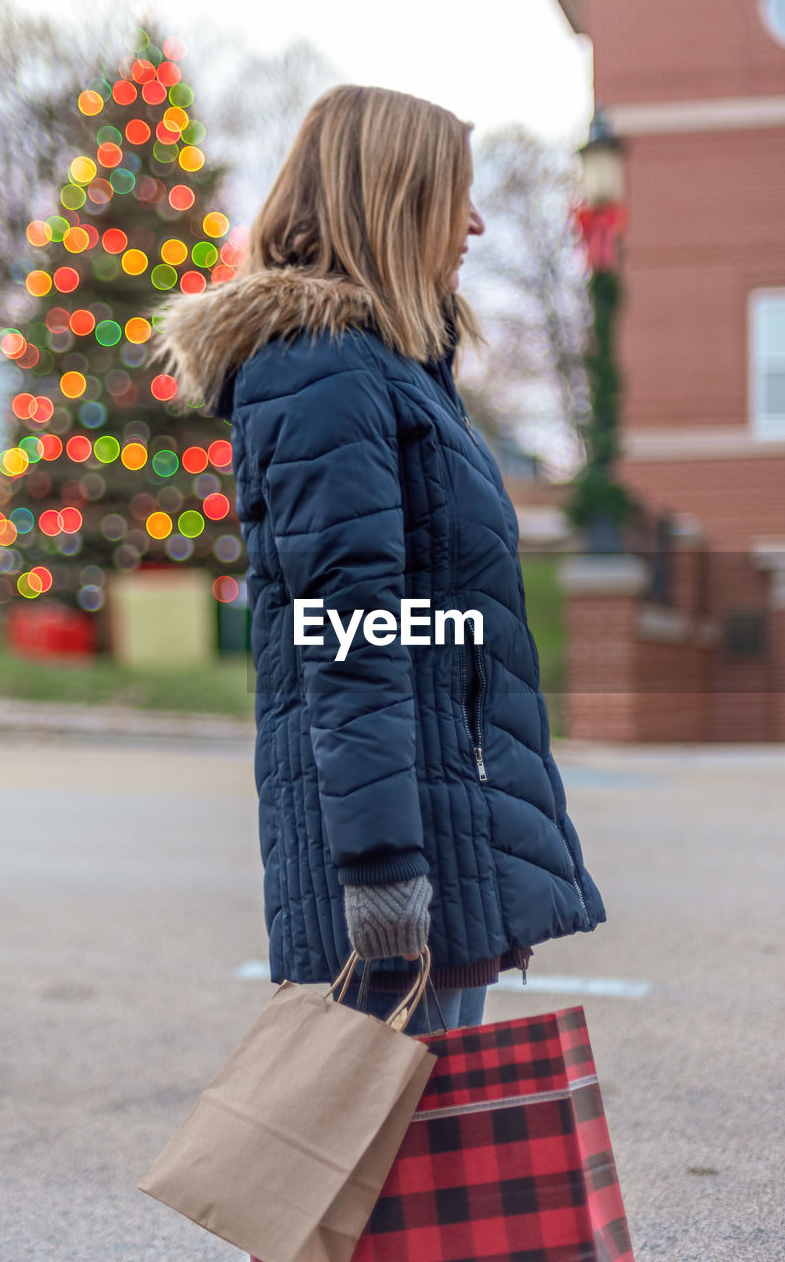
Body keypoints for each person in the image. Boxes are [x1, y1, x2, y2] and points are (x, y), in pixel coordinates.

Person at [156, 84, 606, 1036]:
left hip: (443, 812)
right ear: (396, 200)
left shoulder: (393, 371)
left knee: (422, 1164)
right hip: (403, 847)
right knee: (389, 1161)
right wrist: (384, 873)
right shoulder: (323, 370)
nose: (476, 225)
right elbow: (351, 634)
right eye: (460, 196)